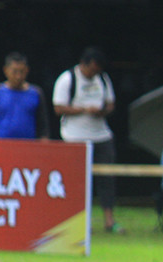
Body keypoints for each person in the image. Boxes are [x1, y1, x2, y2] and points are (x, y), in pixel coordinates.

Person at [52, 47, 121, 233]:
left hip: (101, 136)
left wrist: (102, 111)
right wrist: (83, 110)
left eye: (98, 71)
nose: (95, 74)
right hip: (75, 136)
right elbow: (58, 108)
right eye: (93, 70)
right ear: (84, 64)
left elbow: (111, 103)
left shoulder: (103, 79)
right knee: (75, 180)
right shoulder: (68, 79)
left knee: (107, 178)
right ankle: (76, 221)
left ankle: (109, 220)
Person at [0, 52, 50, 140]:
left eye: (22, 71)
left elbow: (43, 127)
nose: (18, 76)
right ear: (5, 70)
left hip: (28, 146)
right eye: (14, 72)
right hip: (1, 145)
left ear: (27, 70)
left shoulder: (36, 93)